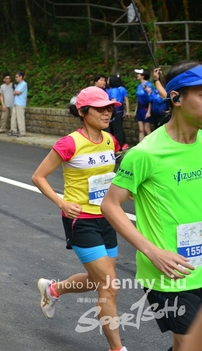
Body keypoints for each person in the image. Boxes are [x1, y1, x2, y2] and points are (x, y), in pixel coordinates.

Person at [102, 61, 202, 351]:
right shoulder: (145, 153)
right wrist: (152, 251)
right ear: (176, 98)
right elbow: (110, 205)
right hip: (168, 272)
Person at [32, 86, 127, 351]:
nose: (107, 113)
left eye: (109, 108)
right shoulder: (69, 143)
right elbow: (38, 177)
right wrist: (61, 202)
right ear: (83, 112)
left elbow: (109, 178)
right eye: (100, 109)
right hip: (81, 221)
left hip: (106, 217)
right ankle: (117, 348)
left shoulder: (110, 140)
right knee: (109, 286)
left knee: (98, 280)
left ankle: (53, 290)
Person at [106, 75, 130, 151]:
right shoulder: (118, 89)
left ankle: (120, 146)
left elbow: (113, 101)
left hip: (115, 112)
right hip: (120, 111)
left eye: (108, 80)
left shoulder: (113, 90)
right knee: (118, 128)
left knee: (117, 129)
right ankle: (122, 144)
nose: (107, 81)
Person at [134, 68, 154, 141]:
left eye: (138, 74)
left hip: (146, 108)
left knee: (147, 128)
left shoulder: (149, 85)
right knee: (141, 129)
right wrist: (136, 110)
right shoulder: (139, 85)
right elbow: (138, 98)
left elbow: (151, 99)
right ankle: (140, 145)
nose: (137, 75)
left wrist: (149, 112)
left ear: (143, 76)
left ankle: (152, 144)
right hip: (139, 108)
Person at [11, 71, 28, 137]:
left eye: (17, 77)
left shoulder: (24, 84)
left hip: (21, 103)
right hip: (16, 103)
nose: (16, 78)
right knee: (13, 117)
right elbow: (14, 92)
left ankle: (22, 131)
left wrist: (16, 92)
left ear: (21, 77)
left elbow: (17, 92)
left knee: (20, 118)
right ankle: (13, 130)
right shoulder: (18, 85)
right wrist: (16, 92)